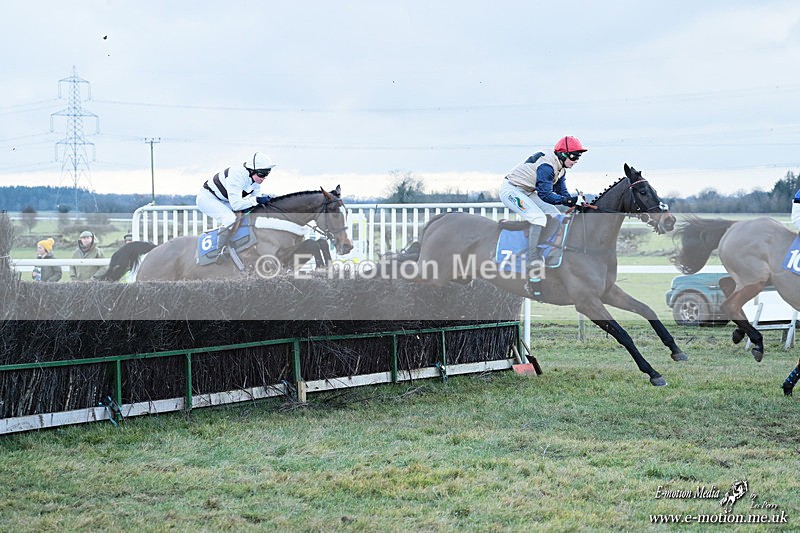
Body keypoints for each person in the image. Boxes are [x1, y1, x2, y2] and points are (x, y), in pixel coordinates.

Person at [499, 136, 587, 282]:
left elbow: (562, 193)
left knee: (556, 215)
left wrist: (575, 202)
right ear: (563, 154)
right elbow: (545, 195)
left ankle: (549, 251)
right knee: (538, 218)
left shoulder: (560, 168)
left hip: (527, 191)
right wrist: (570, 200)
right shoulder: (547, 167)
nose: (576, 160)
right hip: (511, 190)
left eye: (578, 157)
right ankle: (533, 260)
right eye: (574, 156)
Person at [196, 152, 277, 249]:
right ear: (251, 170)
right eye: (261, 174)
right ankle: (219, 249)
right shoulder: (237, 175)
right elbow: (236, 205)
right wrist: (257, 200)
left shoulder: (256, 182)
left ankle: (236, 243)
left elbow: (255, 203)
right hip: (207, 198)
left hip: (224, 200)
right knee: (229, 218)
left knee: (244, 214)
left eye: (267, 174)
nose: (263, 178)